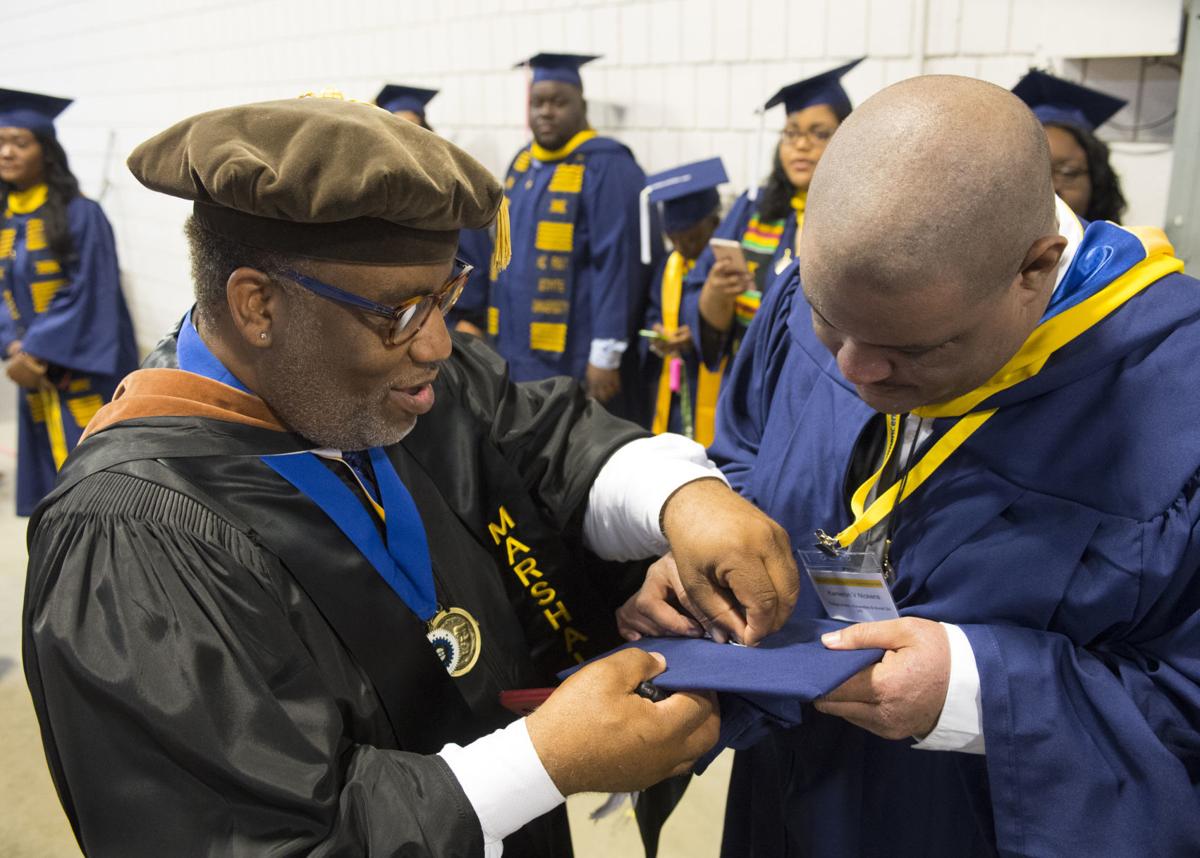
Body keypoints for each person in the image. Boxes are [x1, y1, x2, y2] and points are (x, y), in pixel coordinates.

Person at [23, 93, 800, 857]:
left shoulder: (378, 373)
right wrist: (540, 761)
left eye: (446, 294)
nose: (435, 343)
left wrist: (683, 499)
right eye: (398, 312)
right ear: (258, 306)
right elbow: (239, 834)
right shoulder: (136, 533)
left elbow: (541, 437)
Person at [620, 75, 1200, 856]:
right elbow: (750, 452)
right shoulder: (831, 288)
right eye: (828, 324)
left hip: (969, 818)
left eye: (912, 351)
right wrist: (713, 543)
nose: (856, 372)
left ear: (1034, 267)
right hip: (787, 787)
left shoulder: (1177, 403)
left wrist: (981, 689)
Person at [490, 53, 655, 420]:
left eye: (558, 102)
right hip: (519, 349)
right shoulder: (522, 163)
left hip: (575, 352)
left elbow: (618, 263)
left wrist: (605, 355)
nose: (545, 112)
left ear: (581, 104)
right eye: (537, 103)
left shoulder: (607, 166)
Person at [0, 88, 136, 515]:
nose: (6, 153)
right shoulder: (5, 218)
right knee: (49, 468)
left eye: (19, 143)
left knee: (92, 460)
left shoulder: (82, 214)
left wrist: (38, 349)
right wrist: (12, 345)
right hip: (30, 369)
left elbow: (91, 290)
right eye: (0, 144)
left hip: (78, 366)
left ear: (47, 150)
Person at [681, 59, 861, 380]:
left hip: (824, 382)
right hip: (750, 378)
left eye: (819, 134)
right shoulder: (755, 209)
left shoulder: (863, 215)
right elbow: (697, 292)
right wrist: (716, 293)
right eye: (791, 133)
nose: (801, 144)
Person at [375, 82, 493, 335]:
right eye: (396, 129)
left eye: (413, 127)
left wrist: (470, 320)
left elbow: (476, 261)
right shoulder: (376, 192)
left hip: (446, 319)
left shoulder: (448, 187)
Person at [640, 157, 727, 445]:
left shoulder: (728, 271)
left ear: (714, 225)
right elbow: (654, 308)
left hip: (718, 386)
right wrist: (657, 334)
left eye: (691, 238)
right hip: (676, 386)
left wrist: (703, 333)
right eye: (673, 239)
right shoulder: (670, 266)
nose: (682, 248)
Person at [1013, 68, 1129, 223]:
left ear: (1097, 182)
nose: (1051, 189)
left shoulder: (1122, 246)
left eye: (1067, 172)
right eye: (1031, 172)